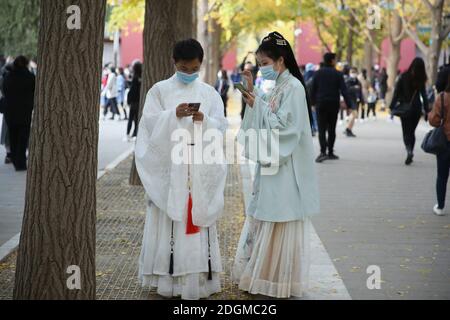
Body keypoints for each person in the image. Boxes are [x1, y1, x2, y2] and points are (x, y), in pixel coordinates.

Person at [134, 38, 228, 300]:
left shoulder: (209, 92)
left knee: (196, 215)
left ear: (201, 64)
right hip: (171, 168)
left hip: (198, 166)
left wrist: (205, 120)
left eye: (194, 69)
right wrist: (171, 116)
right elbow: (148, 126)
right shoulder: (159, 91)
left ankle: (199, 278)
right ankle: (168, 276)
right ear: (174, 62)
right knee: (170, 218)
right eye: (184, 68)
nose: (189, 73)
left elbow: (220, 126)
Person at [232, 31, 319, 298]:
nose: (262, 69)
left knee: (277, 218)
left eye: (265, 63)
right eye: (260, 64)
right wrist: (253, 95)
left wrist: (256, 102)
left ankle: (276, 280)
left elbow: (286, 129)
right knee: (267, 215)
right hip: (273, 165)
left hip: (285, 166)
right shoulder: (281, 86)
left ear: (280, 60)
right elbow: (273, 115)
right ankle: (266, 275)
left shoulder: (292, 87)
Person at [310, 52, 351, 163]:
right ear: (332, 61)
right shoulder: (338, 74)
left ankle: (323, 152)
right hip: (333, 104)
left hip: (321, 104)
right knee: (332, 128)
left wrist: (312, 103)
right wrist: (349, 105)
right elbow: (344, 90)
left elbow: (312, 89)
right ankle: (330, 152)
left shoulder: (318, 73)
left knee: (322, 129)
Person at [390, 57, 429, 165]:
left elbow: (396, 93)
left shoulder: (403, 76)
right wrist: (427, 110)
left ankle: (409, 150)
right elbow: (424, 96)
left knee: (406, 132)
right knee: (412, 132)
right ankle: (411, 150)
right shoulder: (421, 79)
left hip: (405, 108)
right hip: (416, 109)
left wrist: (391, 107)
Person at [2, 56, 35, 171]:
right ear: (26, 64)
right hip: (25, 111)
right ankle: (20, 162)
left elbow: (4, 90)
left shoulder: (8, 77)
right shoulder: (31, 77)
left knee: (13, 136)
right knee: (23, 137)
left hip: (10, 111)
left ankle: (15, 159)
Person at [428, 74, 450, 216]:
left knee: (442, 175)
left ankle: (440, 206)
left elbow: (434, 121)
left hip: (445, 142)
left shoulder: (443, 97)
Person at [344, 67, 364, 137]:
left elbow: (360, 91)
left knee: (354, 115)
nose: (353, 73)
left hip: (355, 99)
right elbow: (346, 90)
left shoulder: (357, 81)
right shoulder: (348, 80)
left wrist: (362, 100)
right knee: (354, 114)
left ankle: (348, 129)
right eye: (352, 72)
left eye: (354, 72)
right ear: (349, 73)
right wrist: (354, 88)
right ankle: (348, 129)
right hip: (350, 99)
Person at [126, 61, 142, 140]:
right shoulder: (141, 77)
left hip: (133, 101)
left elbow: (132, 90)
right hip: (139, 100)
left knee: (131, 118)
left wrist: (128, 100)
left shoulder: (135, 78)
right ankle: (135, 134)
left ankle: (128, 134)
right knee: (136, 119)